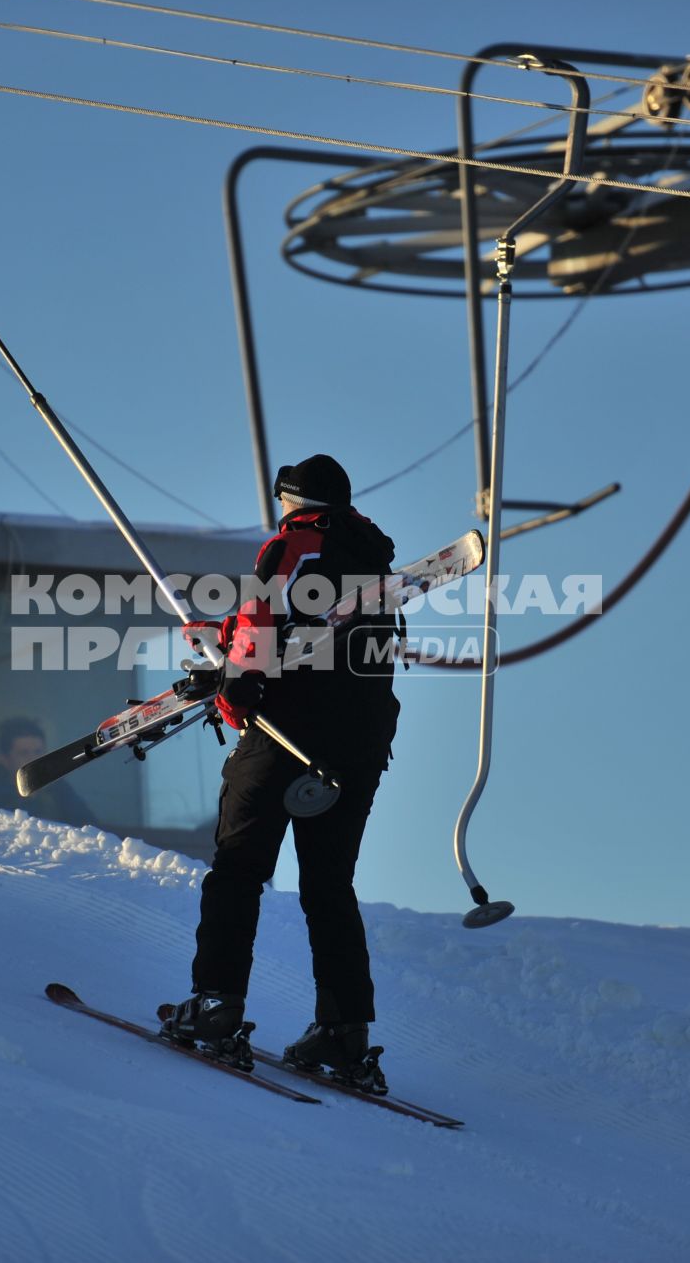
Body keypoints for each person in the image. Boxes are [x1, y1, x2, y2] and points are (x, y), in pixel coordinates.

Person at [158, 454, 399, 1087]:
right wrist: (229, 631)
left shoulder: (293, 545)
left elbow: (266, 624)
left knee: (239, 869)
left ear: (292, 501)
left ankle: (215, 1005)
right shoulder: (374, 557)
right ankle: (344, 1034)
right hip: (362, 741)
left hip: (285, 731)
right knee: (328, 886)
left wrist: (236, 689)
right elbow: (316, 628)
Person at [0, 716, 97, 828]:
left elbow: (87, 825)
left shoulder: (57, 786)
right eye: (24, 753)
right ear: (5, 759)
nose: (33, 758)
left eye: (38, 752)